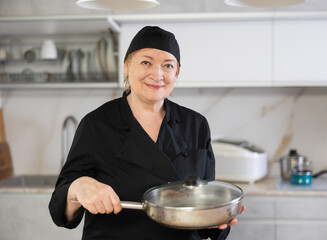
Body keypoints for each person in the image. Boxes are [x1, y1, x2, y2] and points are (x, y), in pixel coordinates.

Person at [49, 26, 244, 240]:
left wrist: (218, 219)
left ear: (176, 73)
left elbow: (204, 205)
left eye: (168, 66)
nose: (157, 74)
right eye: (146, 62)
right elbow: (59, 209)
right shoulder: (96, 124)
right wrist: (77, 188)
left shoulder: (196, 124)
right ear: (126, 66)